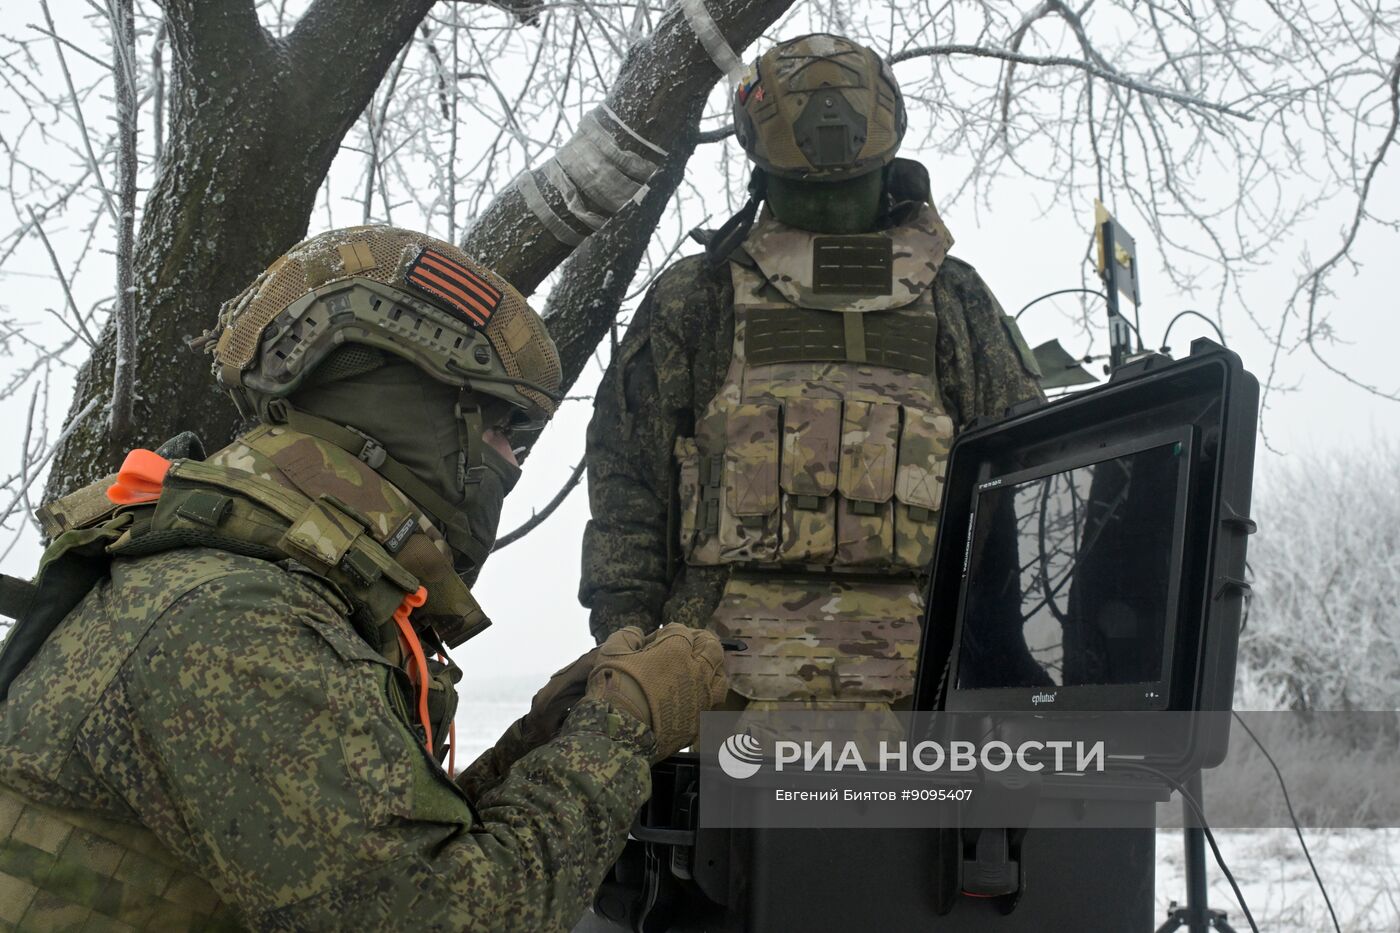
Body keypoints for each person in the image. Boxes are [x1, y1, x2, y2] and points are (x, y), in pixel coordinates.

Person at [0, 226, 727, 931]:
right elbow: (443, 915)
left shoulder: (255, 592)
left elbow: (375, 861)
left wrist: (539, 743)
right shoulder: (236, 618)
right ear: (408, 418)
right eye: (500, 429)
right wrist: (618, 729)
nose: (511, 461)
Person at [581, 32, 1045, 713]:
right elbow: (628, 488)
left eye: (846, 188)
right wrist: (628, 660)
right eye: (808, 189)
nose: (828, 208)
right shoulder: (698, 299)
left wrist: (1003, 669)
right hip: (713, 701)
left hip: (925, 703)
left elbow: (1023, 486)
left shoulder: (956, 301)